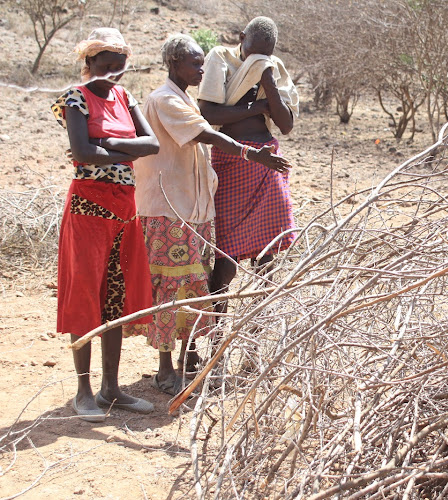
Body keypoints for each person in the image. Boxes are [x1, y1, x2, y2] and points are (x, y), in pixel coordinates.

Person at [123, 34, 291, 395]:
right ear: (174, 64)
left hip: (190, 208)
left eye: (202, 62)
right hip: (167, 207)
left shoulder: (182, 97)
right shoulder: (165, 99)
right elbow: (207, 135)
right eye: (194, 63)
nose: (202, 69)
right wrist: (250, 154)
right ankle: (165, 369)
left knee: (190, 287)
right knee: (169, 288)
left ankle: (184, 362)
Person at [52, 28, 160, 422]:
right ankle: (83, 391)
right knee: (84, 294)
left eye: (119, 66)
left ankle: (111, 388)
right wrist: (116, 148)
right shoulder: (74, 97)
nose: (112, 73)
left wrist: (106, 145)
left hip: (124, 208)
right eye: (105, 66)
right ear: (89, 63)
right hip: (87, 207)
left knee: (116, 295)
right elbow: (81, 153)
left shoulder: (125, 97)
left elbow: (153, 146)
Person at [197, 16, 298, 309]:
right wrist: (258, 106)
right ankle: (217, 341)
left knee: (267, 255)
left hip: (267, 162)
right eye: (253, 52)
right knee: (226, 256)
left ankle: (253, 334)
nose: (257, 60)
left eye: (263, 55)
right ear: (242, 37)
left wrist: (267, 79)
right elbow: (210, 114)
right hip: (231, 158)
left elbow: (286, 125)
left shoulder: (273, 68)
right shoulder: (220, 57)